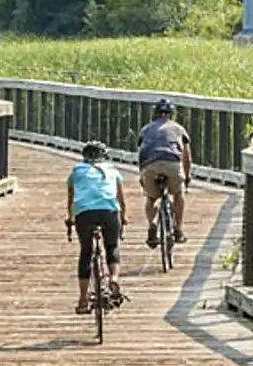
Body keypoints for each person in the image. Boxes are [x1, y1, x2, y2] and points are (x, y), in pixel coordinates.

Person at [64, 140, 127, 314]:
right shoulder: (112, 170)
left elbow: (71, 195)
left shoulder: (77, 171)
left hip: (85, 214)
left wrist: (70, 218)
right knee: (112, 246)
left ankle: (83, 299)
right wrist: (124, 217)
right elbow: (121, 198)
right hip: (109, 212)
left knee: (86, 252)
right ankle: (113, 278)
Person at [135, 97, 192, 250]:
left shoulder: (146, 129)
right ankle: (178, 229)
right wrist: (186, 178)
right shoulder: (179, 129)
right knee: (178, 195)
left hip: (149, 165)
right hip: (171, 164)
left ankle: (152, 224)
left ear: (155, 113)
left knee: (151, 198)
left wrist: (142, 175)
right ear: (172, 114)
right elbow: (186, 158)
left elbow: (141, 153)